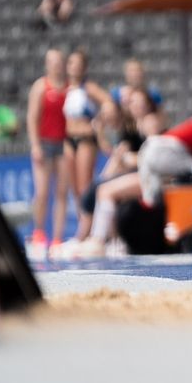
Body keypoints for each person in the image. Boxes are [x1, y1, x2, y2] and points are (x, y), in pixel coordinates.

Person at [61, 50, 114, 242]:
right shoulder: (65, 88)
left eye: (77, 64)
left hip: (85, 139)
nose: (74, 67)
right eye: (71, 63)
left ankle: (88, 230)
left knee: (85, 185)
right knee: (74, 188)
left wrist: (98, 123)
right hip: (68, 139)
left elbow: (108, 101)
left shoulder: (88, 87)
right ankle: (84, 224)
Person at [25, 49, 70, 250]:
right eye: (52, 61)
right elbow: (32, 118)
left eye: (59, 61)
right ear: (47, 64)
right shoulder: (41, 86)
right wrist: (35, 145)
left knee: (61, 192)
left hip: (64, 144)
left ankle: (58, 237)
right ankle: (39, 232)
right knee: (42, 191)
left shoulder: (70, 88)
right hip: (44, 142)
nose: (56, 65)